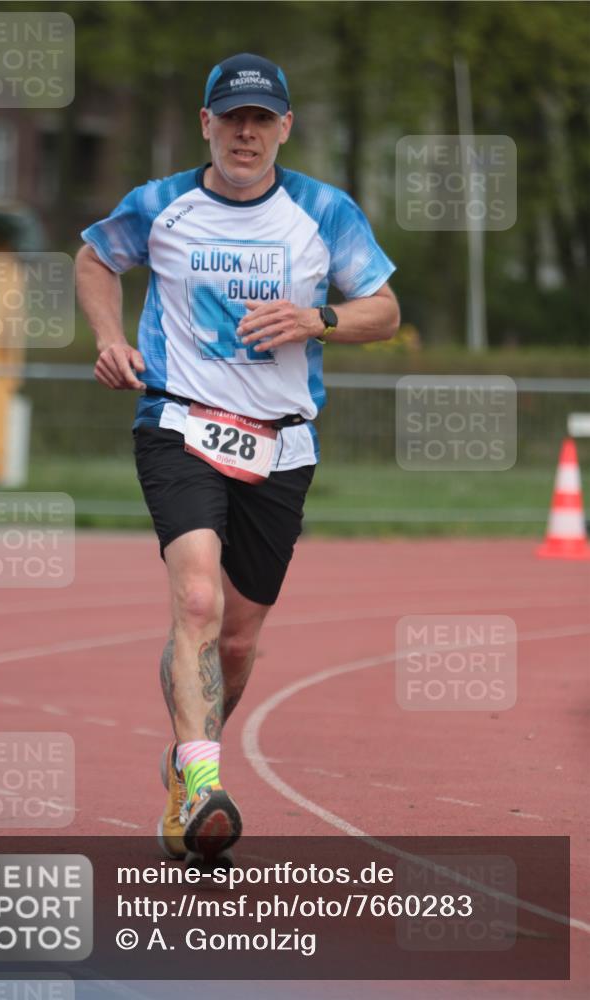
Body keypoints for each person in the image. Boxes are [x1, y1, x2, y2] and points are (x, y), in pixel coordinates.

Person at [75, 53, 399, 862]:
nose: (245, 133)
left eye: (262, 119)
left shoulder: (324, 212)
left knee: (240, 638)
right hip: (179, 422)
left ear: (285, 127)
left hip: (282, 441)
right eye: (231, 118)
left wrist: (315, 319)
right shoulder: (160, 206)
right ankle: (203, 779)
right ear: (205, 124)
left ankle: (187, 765)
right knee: (194, 601)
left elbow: (384, 311)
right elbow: (92, 257)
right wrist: (111, 340)